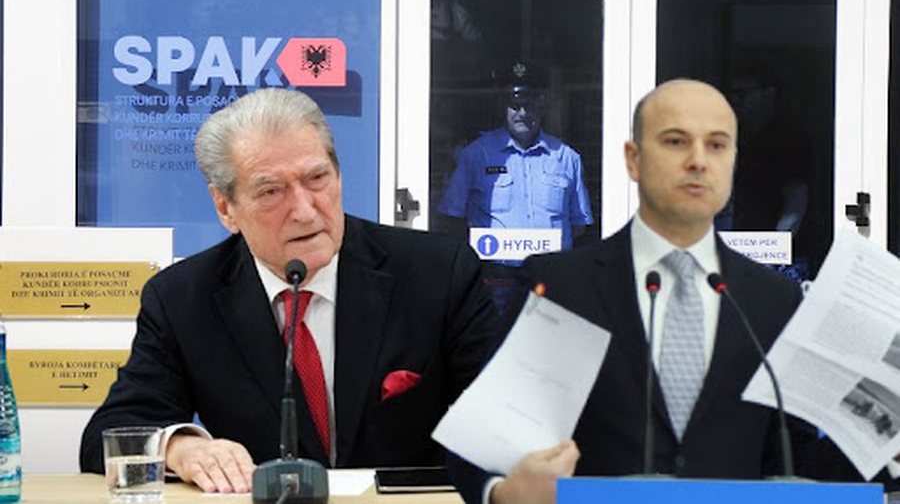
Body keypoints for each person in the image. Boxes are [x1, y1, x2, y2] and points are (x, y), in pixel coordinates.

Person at [450, 79, 897, 504]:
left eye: (717, 145)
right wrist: (503, 493)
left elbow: (792, 462)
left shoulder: (772, 300)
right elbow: (481, 448)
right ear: (634, 159)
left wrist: (888, 448)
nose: (698, 160)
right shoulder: (564, 287)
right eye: (676, 141)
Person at [79, 88, 499, 493]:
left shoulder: (437, 273)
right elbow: (108, 435)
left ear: (338, 174)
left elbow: (504, 422)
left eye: (317, 178)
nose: (304, 210)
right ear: (226, 208)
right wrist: (183, 449)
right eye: (271, 191)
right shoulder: (182, 299)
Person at [437, 60, 594, 251]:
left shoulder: (567, 158)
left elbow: (579, 225)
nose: (523, 113)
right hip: (494, 267)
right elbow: (452, 218)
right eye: (515, 106)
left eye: (529, 105)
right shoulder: (476, 155)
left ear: (542, 105)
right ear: (503, 107)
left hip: (550, 267)